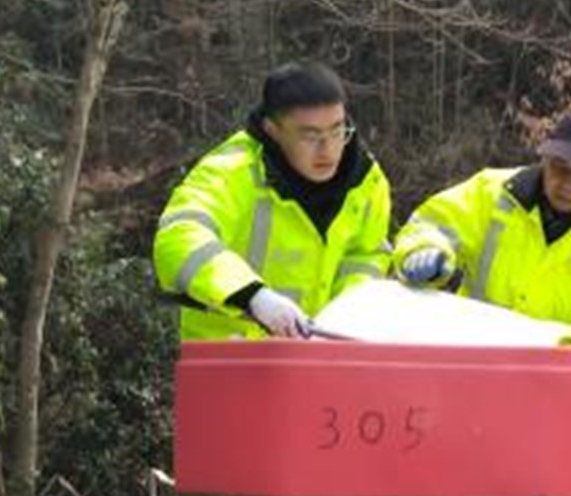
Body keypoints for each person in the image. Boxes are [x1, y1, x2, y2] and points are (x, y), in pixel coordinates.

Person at [153, 62, 392, 341]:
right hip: (230, 355)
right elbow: (179, 236)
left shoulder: (365, 181)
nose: (328, 149)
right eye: (310, 136)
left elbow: (367, 254)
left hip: (320, 354)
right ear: (272, 130)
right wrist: (253, 297)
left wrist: (345, 316)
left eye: (338, 131)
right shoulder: (231, 172)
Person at [387, 108, 571, 351]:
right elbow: (432, 223)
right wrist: (425, 248)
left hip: (553, 374)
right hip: (471, 356)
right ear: (545, 159)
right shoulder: (491, 193)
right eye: (559, 168)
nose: (567, 183)